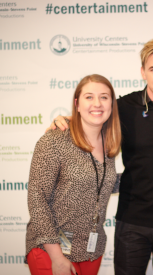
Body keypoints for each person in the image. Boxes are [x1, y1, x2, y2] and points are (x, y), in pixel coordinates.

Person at [47, 37, 153, 275]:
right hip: (132, 223)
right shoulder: (124, 107)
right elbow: (92, 115)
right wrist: (65, 120)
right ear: (142, 72)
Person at [25, 74, 121, 275]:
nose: (97, 103)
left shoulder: (109, 146)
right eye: (89, 97)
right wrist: (57, 257)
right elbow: (37, 198)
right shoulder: (55, 140)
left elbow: (100, 184)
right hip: (50, 249)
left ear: (112, 104)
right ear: (77, 104)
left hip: (90, 251)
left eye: (104, 97)